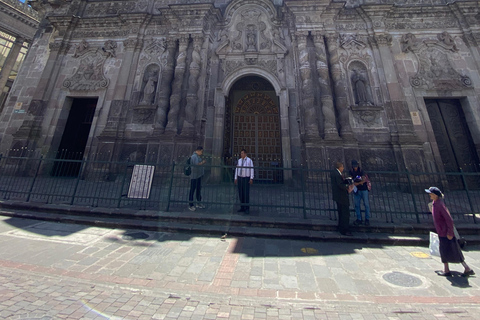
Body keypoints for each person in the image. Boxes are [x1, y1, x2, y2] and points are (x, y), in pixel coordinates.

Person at [425, 187, 474, 277]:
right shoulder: (435, 203)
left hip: (445, 233)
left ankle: (448, 270)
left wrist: (450, 233)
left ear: (435, 195)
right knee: (450, 250)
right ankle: (465, 268)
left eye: (431, 193)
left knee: (446, 250)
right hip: (442, 231)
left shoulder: (440, 205)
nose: (429, 195)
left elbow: (449, 220)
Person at [331, 162, 353, 236]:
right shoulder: (337, 174)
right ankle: (344, 229)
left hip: (338, 196)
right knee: (345, 213)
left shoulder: (335, 173)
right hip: (341, 196)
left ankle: (341, 227)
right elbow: (340, 185)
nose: (343, 168)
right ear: (339, 167)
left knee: (341, 212)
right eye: (342, 167)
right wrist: (348, 186)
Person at [349, 159, 370, 226]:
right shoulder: (351, 171)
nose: (355, 167)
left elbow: (364, 180)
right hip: (356, 190)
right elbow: (351, 180)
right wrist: (357, 183)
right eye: (354, 166)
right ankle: (359, 219)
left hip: (364, 189)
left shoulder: (361, 171)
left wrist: (357, 183)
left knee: (366, 204)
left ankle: (367, 219)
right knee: (357, 205)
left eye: (356, 166)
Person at [234, 149, 254, 214]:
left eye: (242, 153)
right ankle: (242, 207)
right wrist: (235, 177)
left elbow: (252, 169)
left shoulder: (249, 161)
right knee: (241, 193)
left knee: (246, 193)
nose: (241, 154)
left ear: (245, 154)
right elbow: (237, 169)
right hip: (240, 178)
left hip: (246, 178)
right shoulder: (239, 160)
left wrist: (251, 178)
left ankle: (247, 208)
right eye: (241, 153)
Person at [188, 146, 206, 211]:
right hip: (194, 176)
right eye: (201, 151)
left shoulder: (197, 156)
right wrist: (202, 162)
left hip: (198, 175)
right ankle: (191, 205)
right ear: (198, 150)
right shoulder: (194, 157)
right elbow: (196, 165)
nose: (202, 153)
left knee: (198, 189)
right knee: (192, 190)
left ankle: (198, 202)